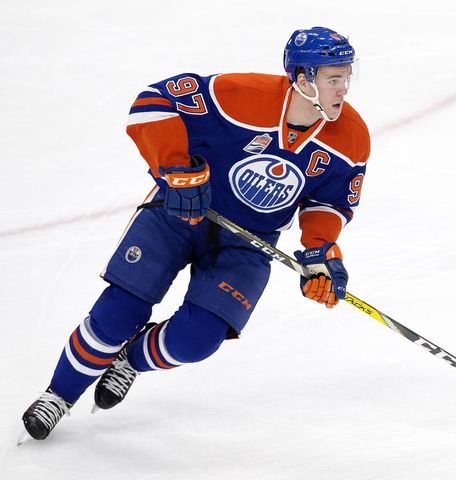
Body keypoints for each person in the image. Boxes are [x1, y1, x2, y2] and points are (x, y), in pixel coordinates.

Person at [19, 26, 370, 443]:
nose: (343, 88)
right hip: (177, 214)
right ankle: (58, 395)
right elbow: (153, 102)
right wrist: (177, 168)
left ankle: (129, 360)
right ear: (302, 78)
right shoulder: (238, 94)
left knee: (197, 340)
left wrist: (319, 251)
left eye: (347, 76)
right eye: (334, 78)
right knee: (118, 313)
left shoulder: (351, 137)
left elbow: (328, 203)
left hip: (247, 242)